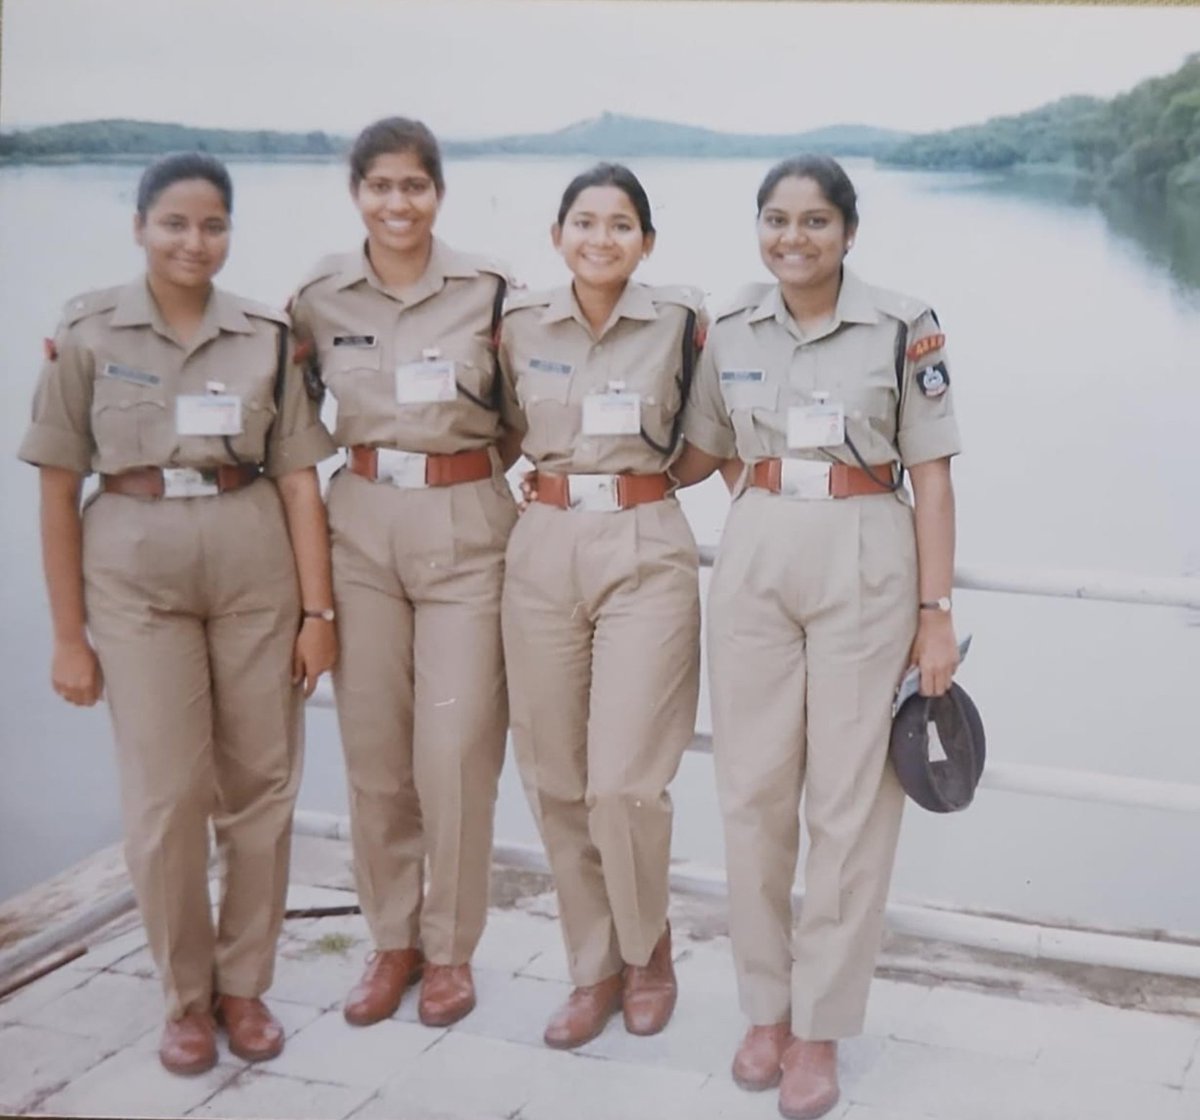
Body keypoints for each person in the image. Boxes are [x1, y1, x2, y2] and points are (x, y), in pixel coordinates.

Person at [19, 152, 338, 1075]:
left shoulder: (265, 334)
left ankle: (246, 987)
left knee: (261, 787)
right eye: (175, 224)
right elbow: (54, 489)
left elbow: (298, 479)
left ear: (229, 233)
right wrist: (68, 635)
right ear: (139, 227)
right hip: (133, 566)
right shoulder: (85, 333)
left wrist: (318, 611)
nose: (193, 241)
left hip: (251, 566)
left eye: (212, 225)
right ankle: (185, 999)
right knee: (164, 798)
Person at [673, 154, 962, 1119]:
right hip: (757, 552)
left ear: (847, 230)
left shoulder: (900, 325)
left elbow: (933, 478)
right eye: (775, 220)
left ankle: (821, 1027)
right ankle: (764, 1008)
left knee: (849, 805)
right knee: (751, 790)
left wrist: (934, 613)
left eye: (813, 222)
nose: (791, 239)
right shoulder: (729, 325)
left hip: (867, 558)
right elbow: (708, 451)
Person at [288, 117, 521, 1030]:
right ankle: (393, 943)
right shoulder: (317, 297)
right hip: (361, 526)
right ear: (357, 193)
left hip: (467, 523)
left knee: (455, 751)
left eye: (413, 186)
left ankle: (453, 948)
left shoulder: (490, 292)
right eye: (380, 186)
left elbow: (526, 410)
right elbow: (280, 418)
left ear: (438, 192)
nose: (397, 203)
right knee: (377, 753)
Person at [498, 163, 705, 1049]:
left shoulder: (685, 322)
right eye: (584, 222)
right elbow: (491, 422)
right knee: (552, 775)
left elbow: (706, 440)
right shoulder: (514, 323)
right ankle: (592, 968)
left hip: (644, 542)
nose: (601, 239)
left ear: (646, 242)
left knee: (623, 782)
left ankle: (648, 949)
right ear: (557, 235)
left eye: (622, 225)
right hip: (540, 546)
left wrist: (633, 492)